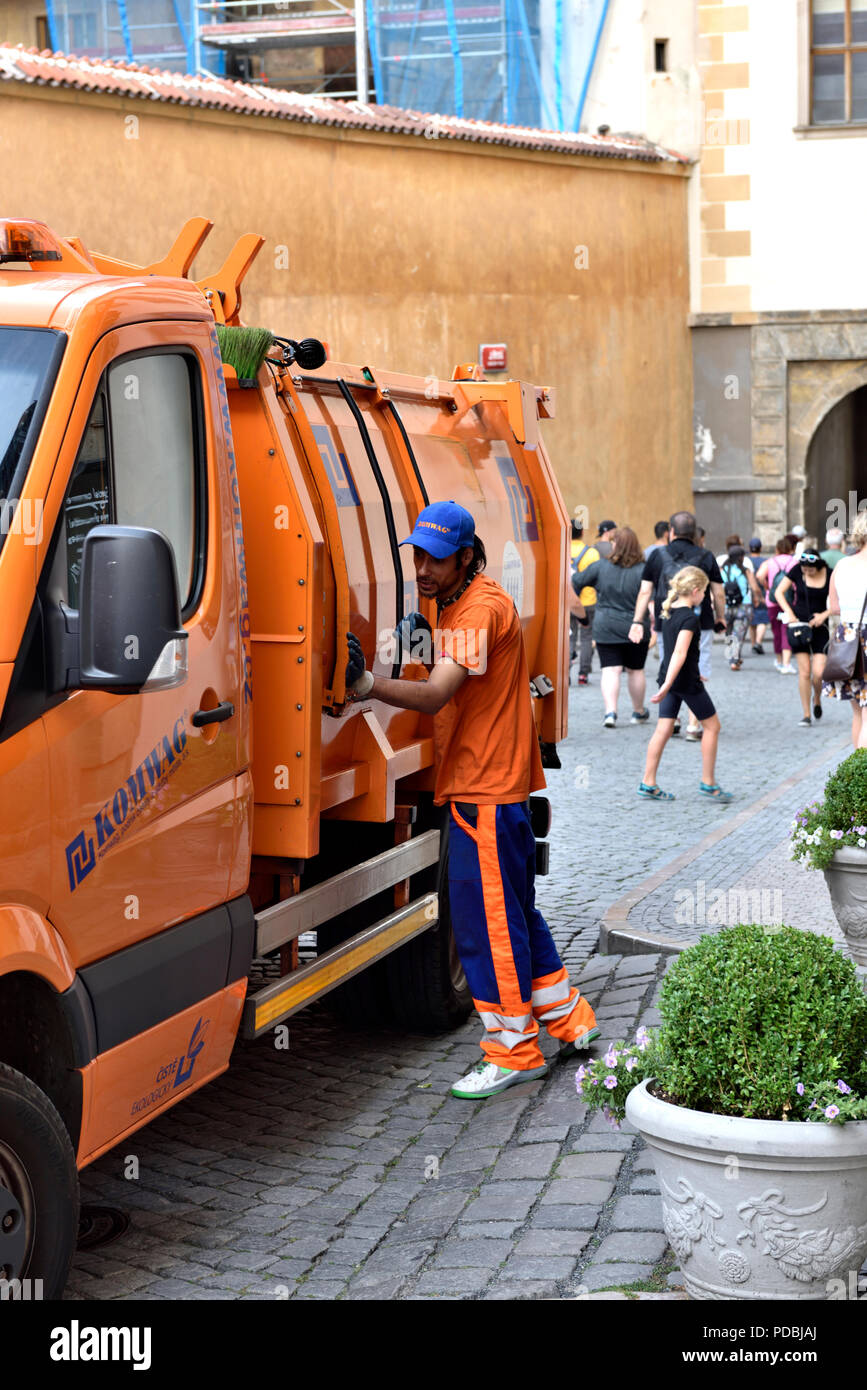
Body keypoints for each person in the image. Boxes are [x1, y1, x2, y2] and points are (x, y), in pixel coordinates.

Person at [344, 500, 598, 1099]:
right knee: (513, 913)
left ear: (464, 556)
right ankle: (568, 1018)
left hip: (483, 788)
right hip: (492, 786)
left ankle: (513, 1050)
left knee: (487, 926)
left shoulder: (479, 608)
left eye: (435, 559)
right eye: (417, 557)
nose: (423, 570)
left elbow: (436, 696)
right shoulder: (464, 601)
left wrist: (364, 685)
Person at [637, 566, 732, 803]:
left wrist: (667, 683)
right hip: (684, 682)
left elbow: (675, 652)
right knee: (712, 727)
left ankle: (648, 782)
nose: (706, 599)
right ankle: (708, 782)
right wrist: (667, 685)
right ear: (697, 591)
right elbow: (679, 653)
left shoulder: (668, 611)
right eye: (706, 594)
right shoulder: (690, 618)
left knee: (664, 728)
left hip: (672, 678)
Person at [630, 510, 726, 741]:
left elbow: (645, 591)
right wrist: (720, 617)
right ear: (694, 534)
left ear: (671, 531)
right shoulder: (706, 555)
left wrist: (637, 621)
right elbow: (718, 592)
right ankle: (694, 724)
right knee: (698, 666)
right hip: (699, 621)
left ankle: (672, 720)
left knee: (669, 661)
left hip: (667, 620)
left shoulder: (657, 555)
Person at [569, 526, 650, 728]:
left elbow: (573, 583)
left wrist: (580, 612)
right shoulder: (644, 569)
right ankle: (638, 711)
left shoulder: (600, 567)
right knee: (635, 670)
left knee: (610, 670)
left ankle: (610, 713)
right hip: (636, 626)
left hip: (606, 625)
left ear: (615, 545)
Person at [823, 510, 867, 746]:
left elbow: (834, 606)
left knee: (858, 712)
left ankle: (859, 774)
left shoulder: (842, 565)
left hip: (848, 637)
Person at [775, 548, 831, 726]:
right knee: (804, 671)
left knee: (818, 672)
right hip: (799, 625)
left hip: (820, 626)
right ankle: (806, 714)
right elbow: (778, 592)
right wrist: (789, 612)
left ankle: (817, 699)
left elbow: (839, 600)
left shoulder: (829, 573)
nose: (806, 572)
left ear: (818, 565)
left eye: (810, 570)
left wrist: (824, 615)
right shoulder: (797, 570)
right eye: (804, 569)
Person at [757, 537, 796, 674]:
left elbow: (759, 575)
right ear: (791, 549)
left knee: (776, 632)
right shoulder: (794, 561)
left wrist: (767, 586)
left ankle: (779, 661)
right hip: (789, 602)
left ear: (777, 549)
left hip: (772, 601)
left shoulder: (770, 562)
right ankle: (786, 663)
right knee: (787, 630)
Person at [570, 520, 600, 686]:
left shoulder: (561, 549)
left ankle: (565, 672)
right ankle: (583, 674)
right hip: (588, 601)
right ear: (582, 533)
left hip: (567, 602)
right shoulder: (591, 553)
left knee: (569, 636)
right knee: (587, 638)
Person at [720, 544, 758, 670]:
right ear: (741, 557)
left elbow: (717, 589)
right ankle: (734, 660)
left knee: (729, 633)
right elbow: (754, 587)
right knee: (739, 634)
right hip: (743, 606)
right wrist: (759, 598)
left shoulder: (722, 569)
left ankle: (734, 657)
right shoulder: (745, 570)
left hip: (726, 606)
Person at [747, 537, 768, 653]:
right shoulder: (765, 561)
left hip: (749, 593)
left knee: (752, 620)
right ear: (761, 548)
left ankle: (753, 643)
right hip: (762, 593)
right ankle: (759, 642)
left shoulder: (746, 561)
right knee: (763, 619)